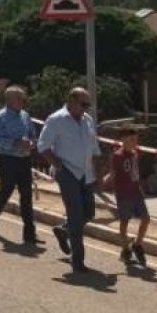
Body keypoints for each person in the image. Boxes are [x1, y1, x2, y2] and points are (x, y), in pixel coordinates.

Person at [37, 87, 103, 274]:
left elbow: (95, 148)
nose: (86, 108)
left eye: (88, 105)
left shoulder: (88, 121)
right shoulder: (56, 119)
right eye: (84, 104)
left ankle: (63, 230)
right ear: (72, 101)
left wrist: (97, 173)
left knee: (88, 212)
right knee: (75, 214)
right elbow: (43, 146)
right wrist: (57, 165)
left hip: (86, 173)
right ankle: (78, 261)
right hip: (66, 172)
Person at [0, 86, 37, 243]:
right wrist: (15, 143)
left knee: (27, 195)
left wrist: (31, 143)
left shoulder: (25, 116)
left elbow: (33, 135)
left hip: (24, 160)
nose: (22, 102)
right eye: (19, 99)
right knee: (5, 192)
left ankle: (29, 234)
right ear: (9, 100)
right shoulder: (0, 117)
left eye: (23, 99)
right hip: (8, 159)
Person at [105, 125, 149, 267]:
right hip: (124, 195)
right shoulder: (117, 156)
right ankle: (125, 248)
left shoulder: (135, 154)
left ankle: (137, 244)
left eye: (136, 139)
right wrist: (107, 179)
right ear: (123, 139)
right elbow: (113, 172)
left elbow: (135, 174)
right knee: (124, 223)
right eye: (132, 139)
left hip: (136, 193)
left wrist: (140, 188)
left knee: (146, 219)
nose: (135, 142)